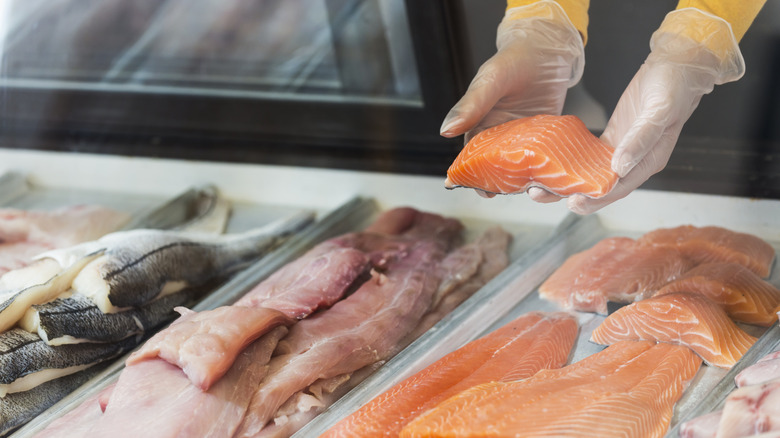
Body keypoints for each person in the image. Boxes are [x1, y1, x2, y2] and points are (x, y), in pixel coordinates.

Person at [440, 0, 767, 214]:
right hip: (614, 30)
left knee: (729, 162)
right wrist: (541, 20)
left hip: (745, 43)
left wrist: (699, 40)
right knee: (639, 143)